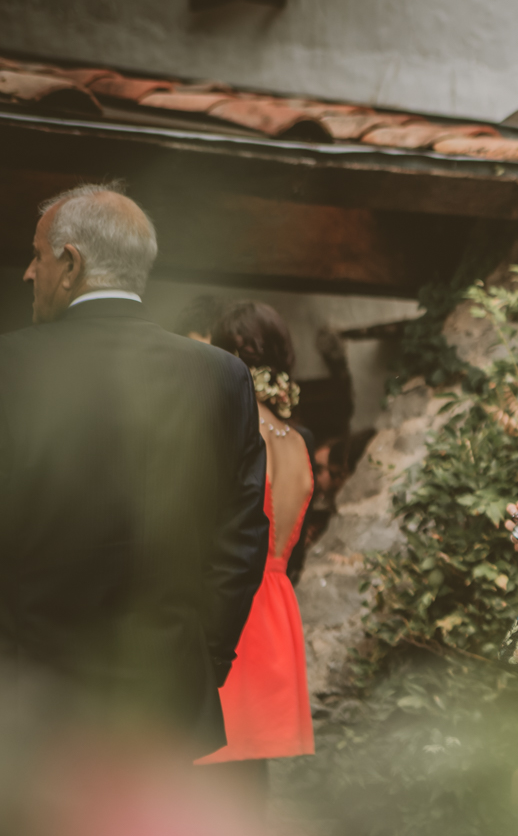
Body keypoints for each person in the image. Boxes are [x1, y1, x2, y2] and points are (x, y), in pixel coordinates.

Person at [0, 184, 268, 750]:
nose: (29, 272)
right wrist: (202, 664)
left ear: (70, 264)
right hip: (165, 705)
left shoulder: (11, 370)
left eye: (38, 255)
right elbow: (240, 546)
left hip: (31, 710)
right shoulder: (222, 377)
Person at [193, 301, 318, 772]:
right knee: (251, 768)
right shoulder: (298, 438)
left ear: (233, 354)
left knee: (215, 759)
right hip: (278, 603)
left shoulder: (237, 432)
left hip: (237, 602)